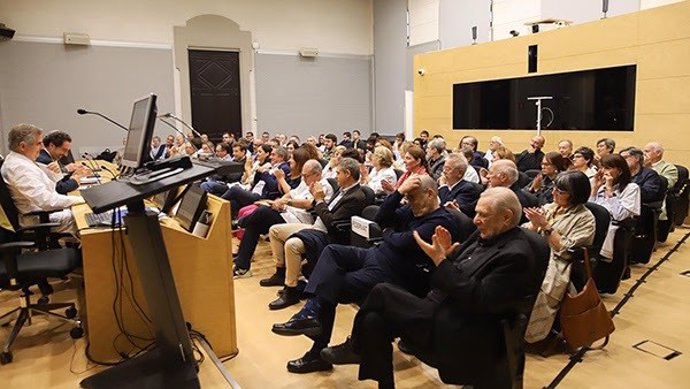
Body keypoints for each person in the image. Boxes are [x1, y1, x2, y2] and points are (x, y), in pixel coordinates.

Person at [322, 187, 540, 389]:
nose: (476, 220)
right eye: (476, 213)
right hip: (438, 305)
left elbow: (478, 299)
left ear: (506, 218)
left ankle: (356, 346)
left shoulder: (516, 256)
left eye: (483, 215)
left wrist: (441, 262)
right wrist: (446, 257)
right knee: (374, 321)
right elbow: (456, 270)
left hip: (462, 324)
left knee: (382, 291)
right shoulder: (484, 232)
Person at [271, 175, 459, 374]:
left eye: (412, 197)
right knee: (332, 251)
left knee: (331, 285)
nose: (409, 202)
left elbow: (403, 241)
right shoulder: (414, 208)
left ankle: (316, 345)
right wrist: (397, 193)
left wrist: (387, 234)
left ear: (429, 194)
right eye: (407, 197)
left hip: (395, 273)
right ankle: (312, 312)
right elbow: (381, 219)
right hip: (376, 255)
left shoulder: (442, 221)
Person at [261, 158, 369, 308]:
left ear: (348, 174)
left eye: (338, 173)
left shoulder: (356, 197)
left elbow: (332, 224)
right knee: (275, 231)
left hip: (327, 234)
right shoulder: (342, 189)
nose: (335, 176)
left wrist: (319, 200)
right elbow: (315, 205)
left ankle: (290, 289)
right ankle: (281, 272)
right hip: (316, 226)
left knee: (292, 245)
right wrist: (289, 202)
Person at [523, 171, 596, 351]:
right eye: (554, 189)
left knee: (540, 288)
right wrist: (533, 224)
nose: (554, 193)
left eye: (561, 191)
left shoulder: (586, 218)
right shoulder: (549, 207)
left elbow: (564, 248)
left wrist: (546, 226)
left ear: (575, 195)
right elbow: (525, 232)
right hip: (534, 252)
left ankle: (531, 336)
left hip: (559, 261)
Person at [232, 157, 335, 278]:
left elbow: (309, 204)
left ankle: (239, 223)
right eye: (303, 175)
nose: (304, 178)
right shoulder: (306, 181)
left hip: (300, 219)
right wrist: (280, 201)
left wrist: (286, 202)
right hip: (287, 213)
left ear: (317, 174)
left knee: (262, 212)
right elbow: (292, 193)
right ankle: (242, 266)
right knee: (255, 223)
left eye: (306, 176)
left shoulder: (324, 186)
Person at [1, 124, 85, 234]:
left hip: (42, 213)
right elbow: (47, 201)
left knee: (83, 212)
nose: (42, 147)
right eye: (39, 143)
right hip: (37, 220)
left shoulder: (19, 161)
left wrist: (55, 173)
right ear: (22, 146)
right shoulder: (19, 168)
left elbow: (48, 189)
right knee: (84, 217)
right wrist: (81, 200)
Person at [590, 154, 641, 260]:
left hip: (612, 229)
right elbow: (589, 210)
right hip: (592, 225)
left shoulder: (631, 188)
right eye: (602, 167)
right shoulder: (599, 186)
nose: (603, 171)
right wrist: (594, 189)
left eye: (608, 168)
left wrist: (609, 191)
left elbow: (620, 215)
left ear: (620, 171)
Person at [36, 130, 90, 194]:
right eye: (64, 150)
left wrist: (73, 174)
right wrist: (76, 178)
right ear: (51, 146)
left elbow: (59, 179)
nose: (66, 155)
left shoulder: (47, 156)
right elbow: (60, 188)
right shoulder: (45, 160)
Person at [438, 153, 482, 218]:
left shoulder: (467, 189)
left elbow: (448, 209)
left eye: (448, 169)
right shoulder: (439, 184)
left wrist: (443, 186)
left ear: (460, 173)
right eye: (444, 167)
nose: (444, 171)